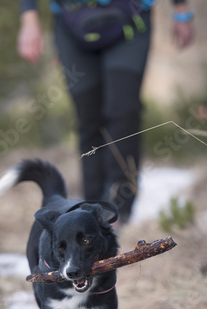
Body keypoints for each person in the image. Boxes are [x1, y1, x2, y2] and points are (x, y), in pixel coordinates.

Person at [18, 0, 194, 224]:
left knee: (123, 113)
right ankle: (91, 211)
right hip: (72, 22)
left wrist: (181, 11)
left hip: (131, 18)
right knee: (88, 118)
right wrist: (29, 19)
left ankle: (119, 209)